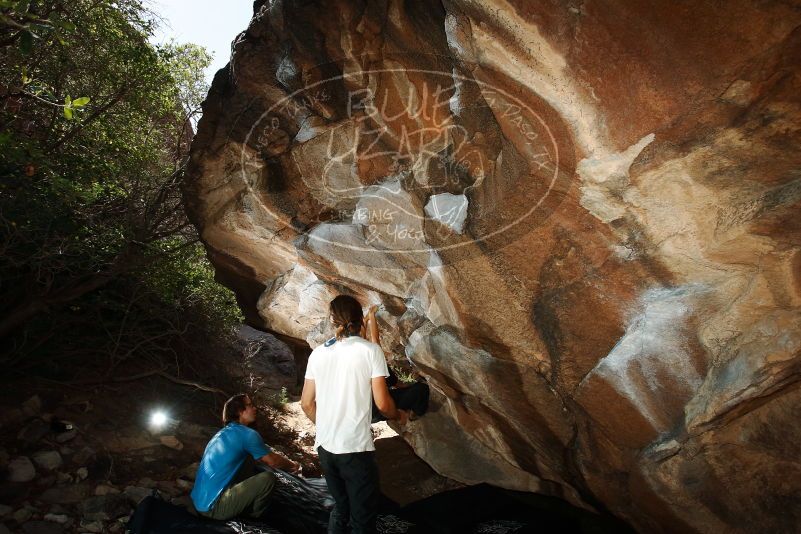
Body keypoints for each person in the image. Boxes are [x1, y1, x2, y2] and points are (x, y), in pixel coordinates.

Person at [301, 295, 407, 534]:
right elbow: (382, 403)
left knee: (341, 508)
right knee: (362, 518)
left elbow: (306, 403)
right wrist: (398, 414)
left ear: (332, 320)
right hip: (355, 450)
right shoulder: (370, 351)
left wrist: (329, 426)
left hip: (326, 448)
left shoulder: (318, 353)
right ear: (360, 320)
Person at [190, 393, 300, 521]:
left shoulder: (223, 433)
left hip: (198, 501)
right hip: (214, 508)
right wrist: (293, 465)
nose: (254, 409)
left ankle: (241, 501)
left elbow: (264, 454)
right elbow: (273, 462)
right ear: (239, 411)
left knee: (250, 459)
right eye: (250, 405)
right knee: (267, 478)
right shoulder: (248, 434)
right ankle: (254, 516)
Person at [362, 305, 430, 423]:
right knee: (422, 389)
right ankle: (416, 412)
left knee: (384, 372)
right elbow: (375, 340)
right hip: (377, 410)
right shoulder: (372, 361)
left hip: (365, 411)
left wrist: (367, 319)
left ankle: (401, 386)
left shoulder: (357, 361)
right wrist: (397, 415)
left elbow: (364, 340)